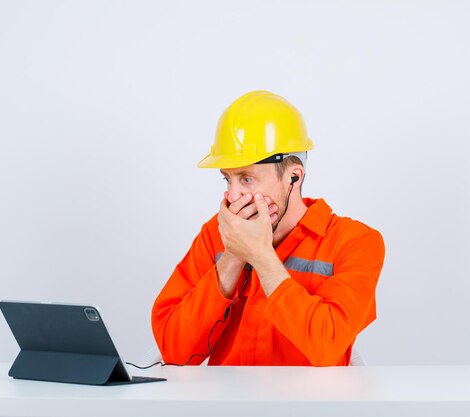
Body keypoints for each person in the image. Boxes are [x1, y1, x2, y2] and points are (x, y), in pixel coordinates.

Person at [151, 91, 385, 366]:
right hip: (226, 406)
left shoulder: (354, 242)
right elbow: (174, 351)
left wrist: (260, 255)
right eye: (227, 179)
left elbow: (326, 346)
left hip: (308, 408)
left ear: (293, 177)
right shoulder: (216, 234)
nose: (233, 195)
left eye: (246, 178)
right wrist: (234, 256)